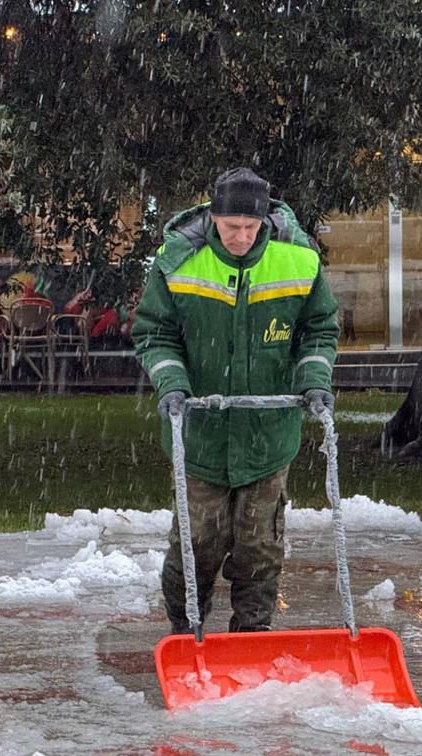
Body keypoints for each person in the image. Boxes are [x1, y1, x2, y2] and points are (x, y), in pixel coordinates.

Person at [132, 167, 339, 634]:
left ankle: (253, 634)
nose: (242, 237)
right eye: (231, 228)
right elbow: (155, 333)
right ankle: (186, 631)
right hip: (200, 434)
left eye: (251, 227)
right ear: (213, 219)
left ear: (265, 220)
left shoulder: (299, 261)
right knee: (197, 543)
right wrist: (172, 384)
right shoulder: (178, 261)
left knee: (259, 546)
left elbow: (319, 329)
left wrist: (313, 377)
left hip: (268, 435)